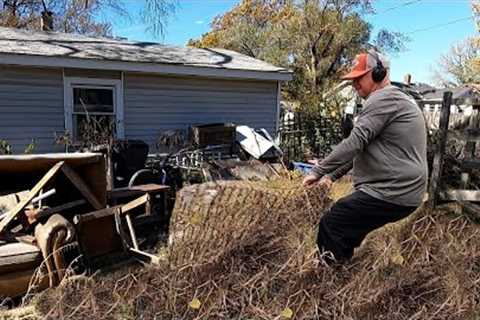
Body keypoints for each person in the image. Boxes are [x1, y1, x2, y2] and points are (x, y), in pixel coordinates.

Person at [303, 49, 428, 264]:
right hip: (402, 189)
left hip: (394, 189)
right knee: (346, 230)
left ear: (379, 73)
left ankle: (327, 278)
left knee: (333, 222)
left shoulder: (383, 99)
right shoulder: (392, 100)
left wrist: (318, 170)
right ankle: (342, 270)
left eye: (359, 78)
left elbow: (354, 142)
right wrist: (332, 176)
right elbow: (362, 149)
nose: (354, 84)